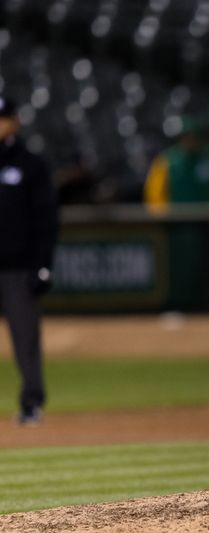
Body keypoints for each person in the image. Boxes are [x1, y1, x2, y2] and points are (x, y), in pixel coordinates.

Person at [0, 96, 58, 425]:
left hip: (17, 268)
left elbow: (46, 219)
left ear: (14, 122)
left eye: (2, 118)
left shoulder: (30, 165)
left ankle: (31, 403)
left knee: (25, 338)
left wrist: (43, 263)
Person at [143, 116, 209, 210]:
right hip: (175, 219)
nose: (188, 141)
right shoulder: (166, 160)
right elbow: (154, 193)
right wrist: (162, 214)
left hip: (208, 219)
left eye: (192, 137)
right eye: (185, 137)